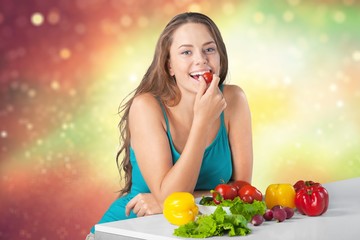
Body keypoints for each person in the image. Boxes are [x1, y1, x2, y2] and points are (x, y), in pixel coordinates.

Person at [86, 11, 253, 240]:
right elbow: (170, 199)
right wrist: (202, 121)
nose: (201, 59)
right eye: (186, 52)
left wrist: (170, 201)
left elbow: (244, 191)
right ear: (169, 66)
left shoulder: (235, 100)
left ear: (220, 58)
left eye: (209, 49)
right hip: (130, 229)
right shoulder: (146, 107)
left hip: (192, 231)